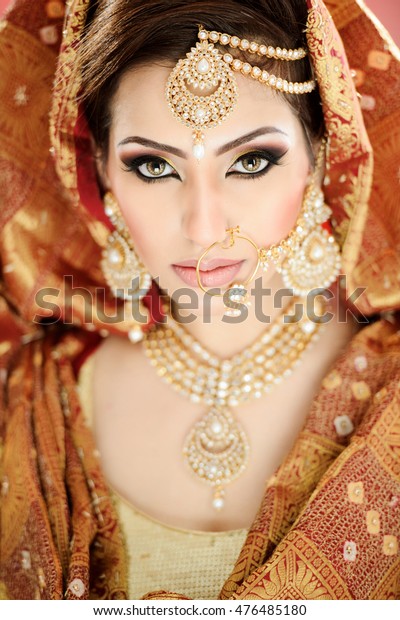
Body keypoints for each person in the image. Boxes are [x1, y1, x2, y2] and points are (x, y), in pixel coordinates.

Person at [0, 0, 399, 601]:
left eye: (252, 161)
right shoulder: (36, 395)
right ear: (99, 171)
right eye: (154, 166)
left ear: (321, 151)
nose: (204, 227)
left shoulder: (389, 390)